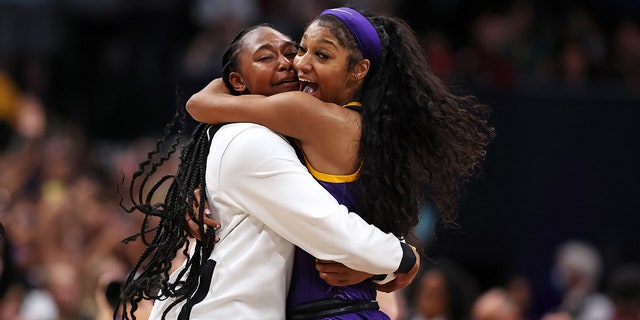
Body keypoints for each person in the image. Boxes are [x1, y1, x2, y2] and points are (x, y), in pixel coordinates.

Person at [186, 5, 494, 319]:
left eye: (322, 56)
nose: (300, 64)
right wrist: (383, 267)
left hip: (330, 311)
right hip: (353, 305)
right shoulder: (369, 127)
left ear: (359, 70)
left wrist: (401, 259)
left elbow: (199, 104)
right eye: (302, 49)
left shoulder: (307, 113)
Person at [117, 24, 419, 320]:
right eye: (265, 57)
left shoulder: (294, 132)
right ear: (237, 82)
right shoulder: (253, 137)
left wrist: (381, 264)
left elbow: (343, 224)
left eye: (292, 52)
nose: (290, 64)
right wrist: (402, 257)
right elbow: (329, 227)